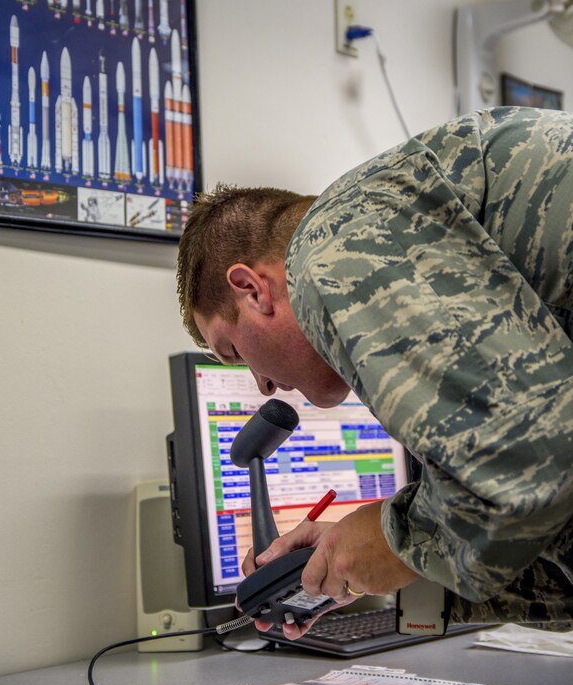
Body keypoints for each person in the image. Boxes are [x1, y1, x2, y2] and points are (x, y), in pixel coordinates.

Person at [176, 106, 573, 640]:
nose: (263, 385)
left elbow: (529, 457)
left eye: (234, 351)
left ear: (253, 289)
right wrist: (370, 559)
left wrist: (393, 539)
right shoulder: (387, 217)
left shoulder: (329, 244)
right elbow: (552, 505)